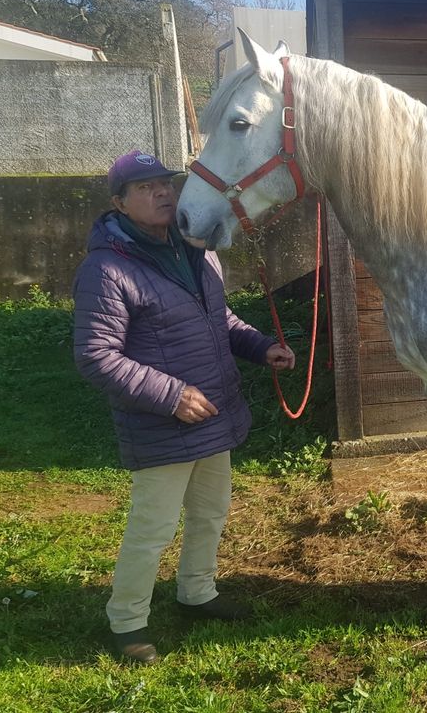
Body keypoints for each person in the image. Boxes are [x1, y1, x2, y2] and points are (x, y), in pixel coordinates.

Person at [72, 150, 295, 664]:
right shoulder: (106, 268)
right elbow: (95, 355)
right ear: (120, 203)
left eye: (166, 183)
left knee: (210, 513)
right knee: (153, 528)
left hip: (212, 414)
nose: (162, 193)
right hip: (163, 423)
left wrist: (262, 347)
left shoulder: (196, 246)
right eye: (145, 188)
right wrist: (170, 395)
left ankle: (197, 592)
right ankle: (126, 621)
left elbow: (220, 318)